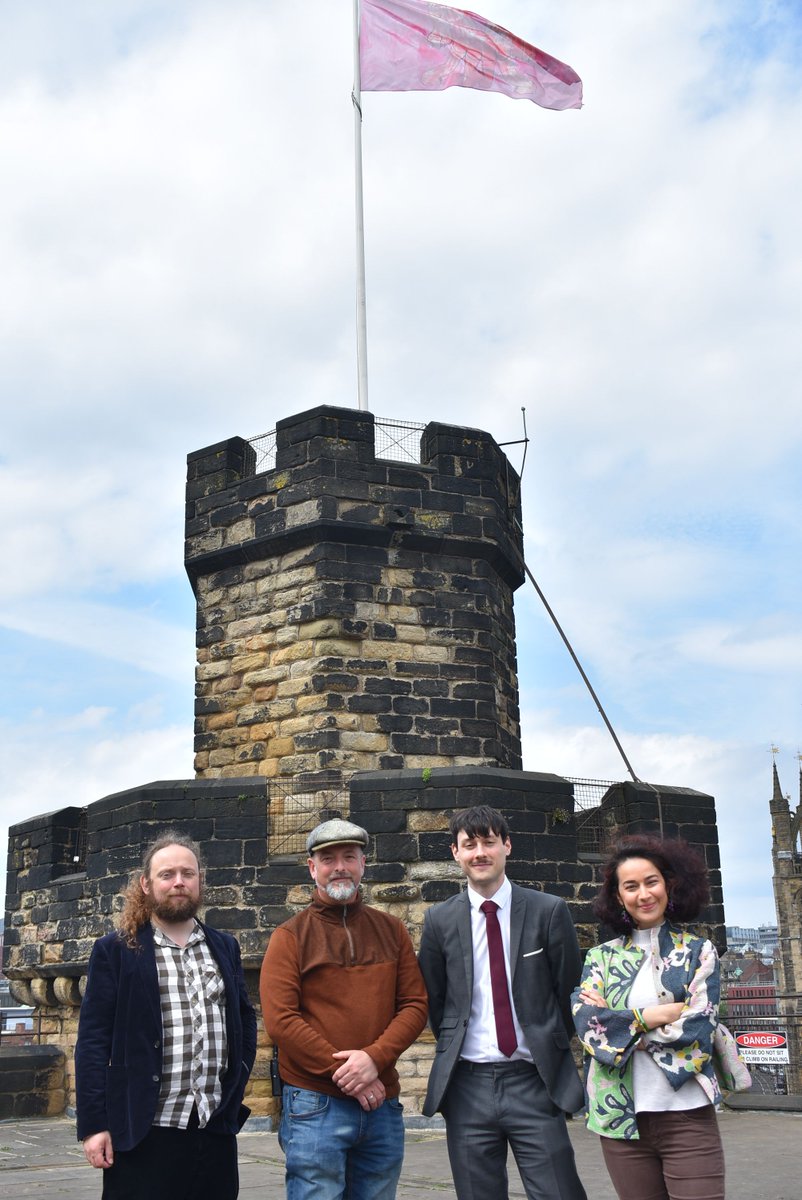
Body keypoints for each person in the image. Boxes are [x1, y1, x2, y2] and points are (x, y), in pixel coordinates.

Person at [418, 805, 588, 1200]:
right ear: (455, 853)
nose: (480, 852)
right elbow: (436, 1001)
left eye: (489, 842)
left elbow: (569, 993)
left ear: (506, 846)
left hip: (534, 1079)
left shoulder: (548, 912)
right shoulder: (439, 921)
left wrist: (547, 1042)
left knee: (559, 1192)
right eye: (469, 844)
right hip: (468, 1086)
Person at [75, 831, 257, 1200]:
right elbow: (93, 1042)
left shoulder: (224, 946)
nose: (178, 882)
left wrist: (234, 1088)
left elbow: (244, 1022)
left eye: (187, 874)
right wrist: (94, 1126)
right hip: (144, 1133)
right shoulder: (116, 950)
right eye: (167, 874)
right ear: (146, 884)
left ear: (199, 881)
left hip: (213, 1130)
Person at [260, 818, 428, 1200]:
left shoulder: (392, 930)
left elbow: (415, 1005)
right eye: (328, 858)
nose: (339, 866)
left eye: (349, 856)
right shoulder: (289, 937)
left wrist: (374, 1060)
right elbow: (281, 1020)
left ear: (363, 864)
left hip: (381, 1105)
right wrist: (348, 1072)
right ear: (312, 868)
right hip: (314, 1104)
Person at [571, 834, 725, 1200]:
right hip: (620, 1119)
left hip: (687, 1113)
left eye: (651, 881)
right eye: (631, 886)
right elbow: (589, 1029)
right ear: (618, 896)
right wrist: (655, 1015)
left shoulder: (698, 951)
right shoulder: (599, 958)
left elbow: (697, 1030)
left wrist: (622, 1027)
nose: (644, 894)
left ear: (669, 885)